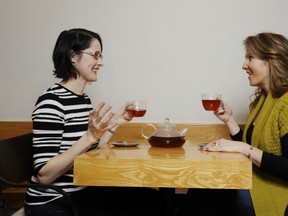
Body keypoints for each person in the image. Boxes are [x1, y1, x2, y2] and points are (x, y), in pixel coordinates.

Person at [24, 28, 161, 216]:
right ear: (73, 57)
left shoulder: (83, 100)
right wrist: (89, 136)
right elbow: (44, 175)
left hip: (82, 192)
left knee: (155, 200)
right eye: (95, 55)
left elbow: (90, 149)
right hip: (55, 199)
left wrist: (114, 124)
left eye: (101, 56)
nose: (101, 62)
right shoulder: (51, 102)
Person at [181, 32, 288, 216]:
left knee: (201, 195)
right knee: (199, 188)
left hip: (275, 196)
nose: (243, 65)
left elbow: (254, 152)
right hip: (254, 183)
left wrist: (244, 148)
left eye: (250, 58)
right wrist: (229, 120)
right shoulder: (263, 100)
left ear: (271, 60)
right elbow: (255, 148)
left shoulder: (286, 104)